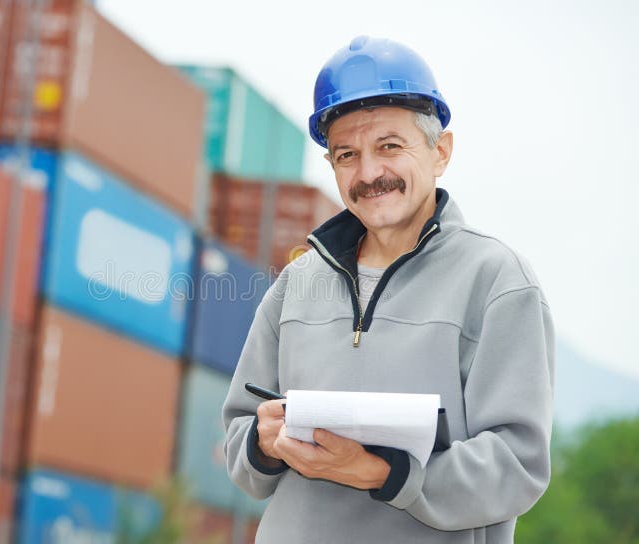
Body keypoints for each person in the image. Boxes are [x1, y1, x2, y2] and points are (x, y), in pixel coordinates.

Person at [222, 36, 554, 543]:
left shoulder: (498, 282)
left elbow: (518, 466)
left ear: (440, 151)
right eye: (347, 155)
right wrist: (262, 442)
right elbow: (239, 443)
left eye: (389, 147)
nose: (370, 173)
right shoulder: (296, 282)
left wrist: (386, 474)